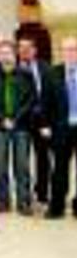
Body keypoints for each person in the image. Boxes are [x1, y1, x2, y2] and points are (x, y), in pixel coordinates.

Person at [0, 41, 36, 215]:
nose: (5, 56)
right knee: (0, 166)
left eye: (8, 53)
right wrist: (3, 119)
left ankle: (24, 202)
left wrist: (15, 118)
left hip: (21, 126)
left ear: (15, 54)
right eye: (2, 53)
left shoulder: (26, 75)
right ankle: (3, 201)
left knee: (22, 166)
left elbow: (31, 99)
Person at [17, 37, 54, 205]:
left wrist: (49, 121)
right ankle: (23, 192)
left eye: (28, 47)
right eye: (21, 47)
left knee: (43, 157)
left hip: (42, 120)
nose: (24, 51)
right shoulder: (13, 68)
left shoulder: (47, 68)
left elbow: (53, 95)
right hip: (21, 120)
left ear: (35, 50)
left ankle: (42, 191)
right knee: (21, 159)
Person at [47, 37, 77, 219]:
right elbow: (45, 102)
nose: (70, 53)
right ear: (61, 52)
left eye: (74, 49)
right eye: (67, 50)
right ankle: (57, 206)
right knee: (59, 169)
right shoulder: (52, 73)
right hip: (61, 128)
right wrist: (44, 124)